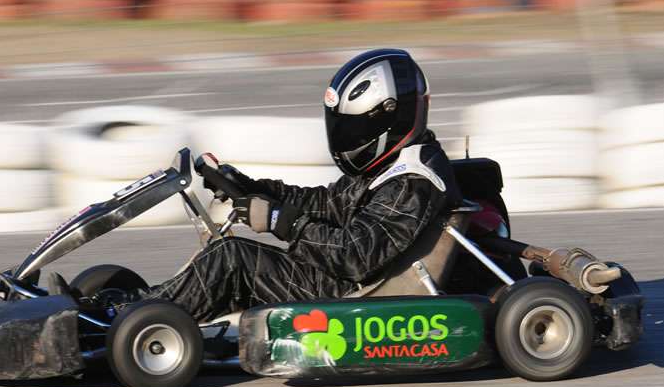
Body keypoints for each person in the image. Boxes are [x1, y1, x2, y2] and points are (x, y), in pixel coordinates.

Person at [108, 48, 462, 322]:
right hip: (336, 277)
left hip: (352, 292)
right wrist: (253, 188)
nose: (347, 138)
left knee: (231, 259)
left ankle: (127, 317)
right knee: (226, 255)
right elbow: (327, 203)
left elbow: (356, 256)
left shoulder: (411, 183)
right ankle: (134, 306)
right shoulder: (389, 166)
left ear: (390, 116)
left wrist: (283, 222)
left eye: (354, 129)